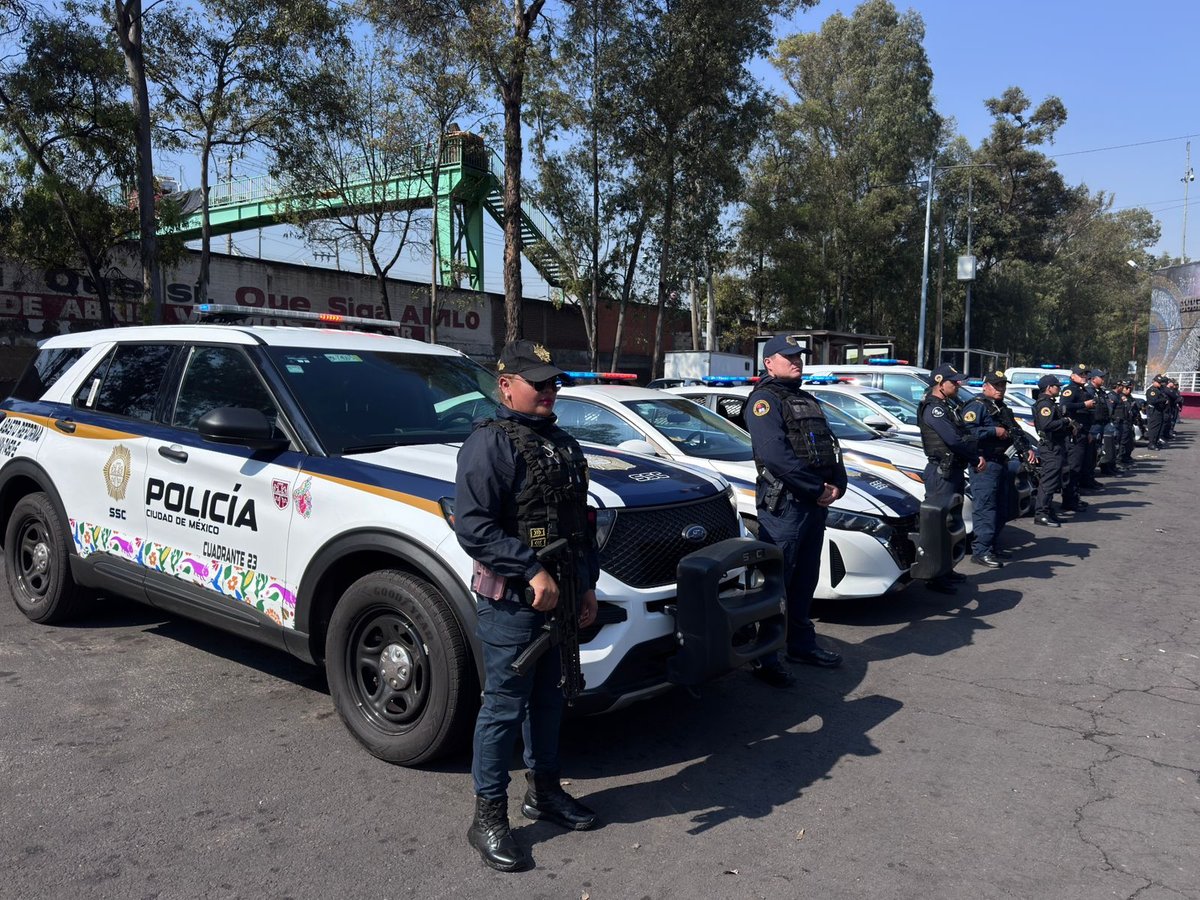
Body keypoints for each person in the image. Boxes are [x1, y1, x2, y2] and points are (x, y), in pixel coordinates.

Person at [454, 339, 599, 872]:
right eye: (536, 382)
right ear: (506, 386)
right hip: (514, 600)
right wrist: (530, 568)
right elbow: (474, 526)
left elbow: (576, 523)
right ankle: (487, 816)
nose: (548, 390)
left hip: (561, 594)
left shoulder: (558, 441)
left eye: (552, 381)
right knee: (504, 705)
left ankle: (544, 793)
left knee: (550, 698)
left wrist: (586, 584)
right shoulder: (489, 444)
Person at [744, 335, 847, 687]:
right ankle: (765, 657)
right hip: (786, 506)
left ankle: (801, 645)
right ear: (768, 362)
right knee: (778, 584)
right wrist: (817, 488)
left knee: (805, 581)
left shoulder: (805, 399)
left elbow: (829, 445)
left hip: (812, 505)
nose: (796, 361)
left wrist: (837, 483)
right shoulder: (763, 401)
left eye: (798, 356)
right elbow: (776, 457)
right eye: (788, 357)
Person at [918, 364, 982, 591]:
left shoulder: (946, 406)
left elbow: (963, 433)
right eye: (953, 382)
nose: (958, 385)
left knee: (951, 523)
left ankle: (946, 569)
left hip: (952, 470)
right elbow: (953, 440)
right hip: (941, 473)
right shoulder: (933, 409)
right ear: (940, 383)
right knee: (939, 525)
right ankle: (935, 576)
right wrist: (975, 457)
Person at [962, 370, 1033, 565]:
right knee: (985, 507)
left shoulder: (1002, 408)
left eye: (1003, 385)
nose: (1001, 389)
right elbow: (967, 433)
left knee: (1002, 507)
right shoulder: (976, 406)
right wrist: (993, 430)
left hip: (1002, 462)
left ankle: (992, 545)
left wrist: (1026, 449)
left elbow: (1016, 431)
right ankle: (981, 551)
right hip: (984, 463)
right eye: (996, 385)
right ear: (985, 386)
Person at [1032, 374, 1069, 527]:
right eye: (1057, 386)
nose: (1059, 389)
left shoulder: (1050, 403)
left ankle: (1048, 510)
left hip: (1055, 446)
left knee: (1054, 481)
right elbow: (1047, 425)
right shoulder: (1045, 404)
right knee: (1048, 481)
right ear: (1049, 388)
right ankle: (1041, 513)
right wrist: (1065, 421)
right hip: (1050, 447)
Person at [1058, 364, 1095, 508]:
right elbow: (1064, 407)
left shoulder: (1082, 389)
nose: (1084, 377)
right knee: (1073, 468)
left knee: (1079, 467)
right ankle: (1068, 500)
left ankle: (1074, 496)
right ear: (1073, 376)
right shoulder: (1069, 390)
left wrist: (1089, 432)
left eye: (1086, 374)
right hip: (1074, 434)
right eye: (1081, 374)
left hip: (1083, 432)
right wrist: (1084, 404)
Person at [1144, 374, 1168, 451]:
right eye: (1158, 382)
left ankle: (1155, 442)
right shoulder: (1152, 390)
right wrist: (1163, 400)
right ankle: (1151, 444)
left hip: (1159, 411)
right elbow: (1153, 401)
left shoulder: (1159, 390)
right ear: (1154, 382)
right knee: (1154, 428)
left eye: (1160, 382)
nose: (1159, 384)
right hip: (1154, 411)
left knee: (1158, 428)